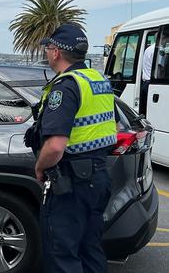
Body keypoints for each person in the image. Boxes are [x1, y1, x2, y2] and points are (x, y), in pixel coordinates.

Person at [34, 23, 117, 272]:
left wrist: (40, 167)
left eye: (48, 48)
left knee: (62, 254)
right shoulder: (97, 79)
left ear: (57, 52)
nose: (47, 53)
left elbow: (56, 146)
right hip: (98, 177)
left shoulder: (66, 86)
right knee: (90, 249)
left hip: (71, 184)